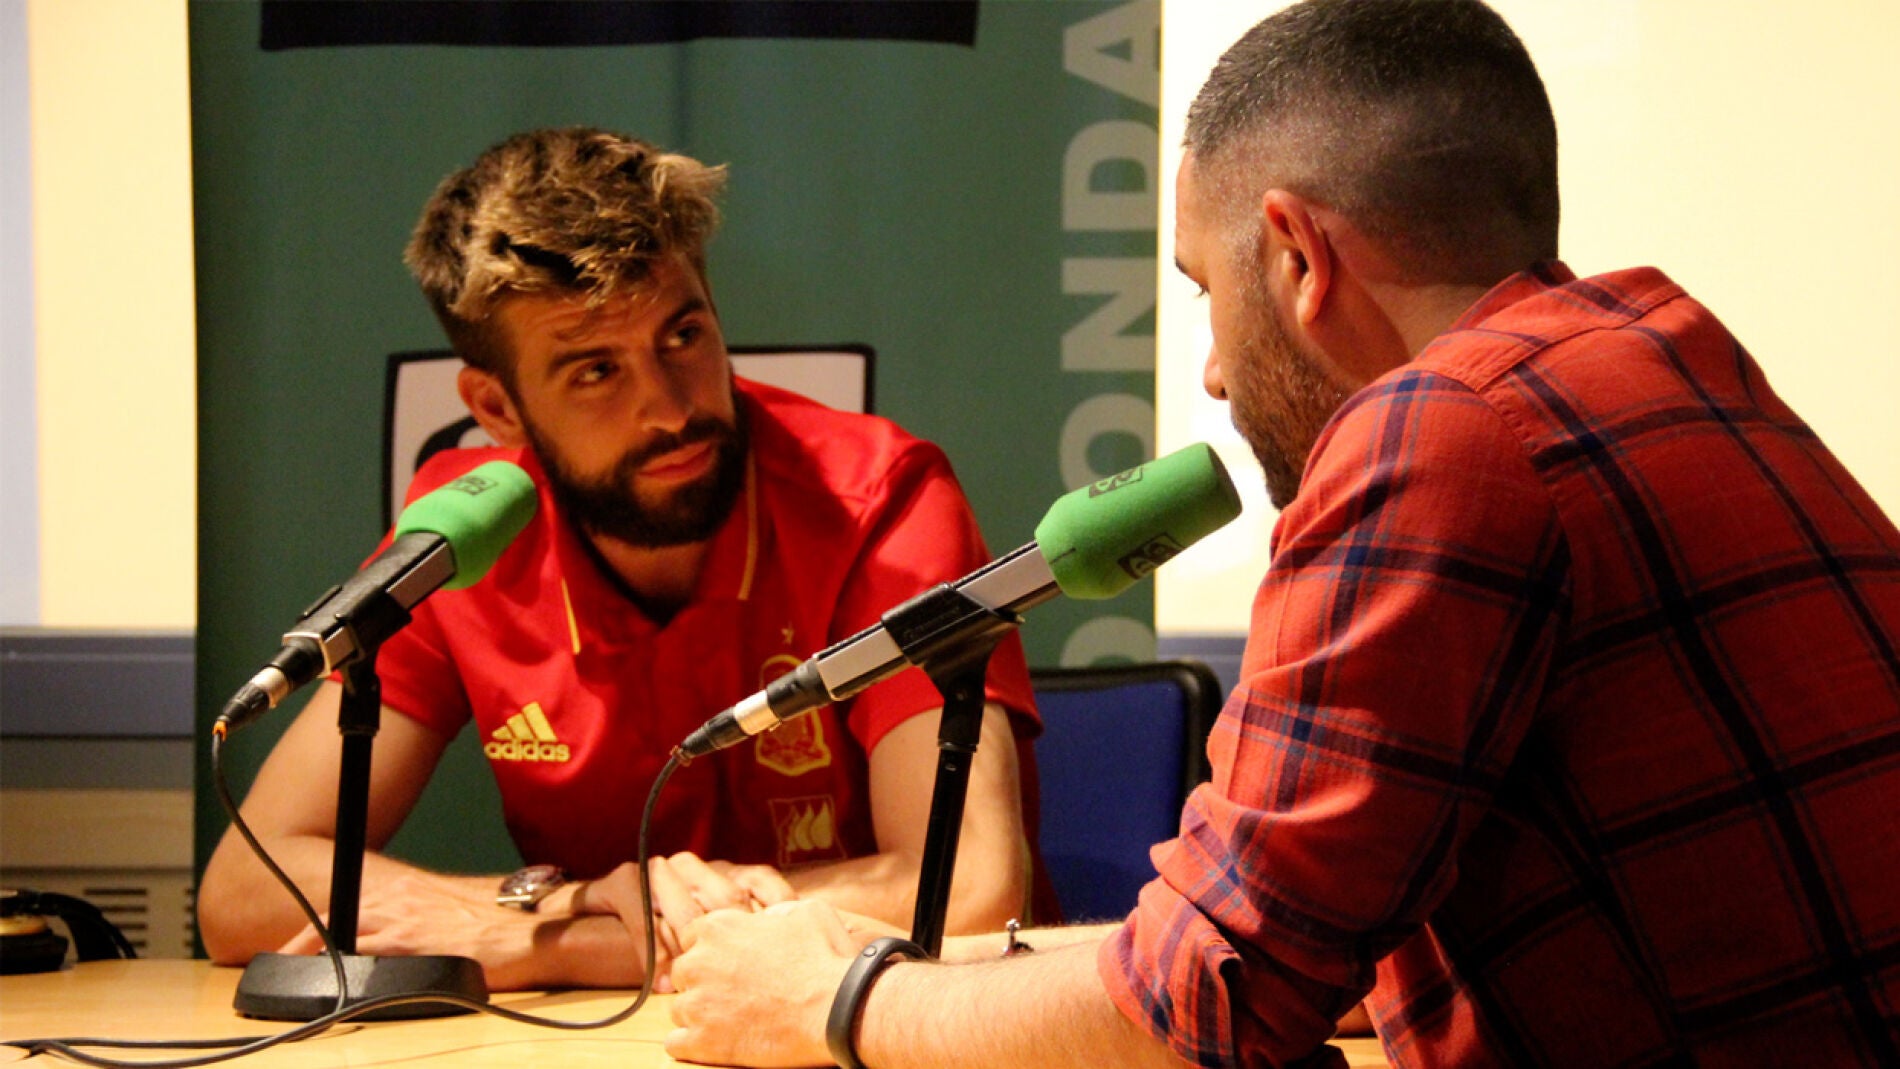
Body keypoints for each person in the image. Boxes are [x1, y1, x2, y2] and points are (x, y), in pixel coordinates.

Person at [662, 1, 1900, 1065]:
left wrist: (831, 1001)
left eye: (1207, 289)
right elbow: (1296, 943)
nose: (1209, 372)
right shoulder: (1662, 353)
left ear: (1298, 255)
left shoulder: (1438, 434)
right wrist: (944, 967)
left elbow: (1214, 1006)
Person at [197, 127, 1056, 991]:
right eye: (596, 370)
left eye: (683, 335)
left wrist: (543, 942)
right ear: (496, 407)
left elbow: (970, 891)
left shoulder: (879, 501)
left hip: (885, 1019)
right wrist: (555, 904)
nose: (670, 408)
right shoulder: (464, 539)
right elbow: (242, 890)